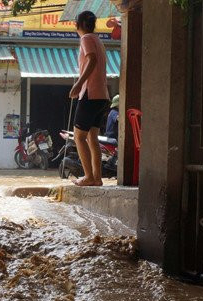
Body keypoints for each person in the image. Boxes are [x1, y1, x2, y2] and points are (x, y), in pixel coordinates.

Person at [69, 11, 110, 186]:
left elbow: (91, 60)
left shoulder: (86, 38)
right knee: (92, 138)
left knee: (79, 137)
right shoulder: (98, 40)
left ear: (80, 24)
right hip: (102, 96)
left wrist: (79, 84)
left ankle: (88, 176)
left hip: (90, 93)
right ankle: (97, 178)